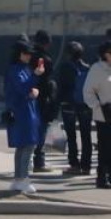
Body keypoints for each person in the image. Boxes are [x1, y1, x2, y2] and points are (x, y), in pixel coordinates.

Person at [7, 39, 45, 193]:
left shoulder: (20, 68)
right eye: (26, 53)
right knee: (28, 145)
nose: (29, 56)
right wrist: (35, 76)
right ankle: (23, 179)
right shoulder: (17, 70)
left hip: (25, 110)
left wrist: (33, 85)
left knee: (22, 146)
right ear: (19, 54)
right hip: (22, 111)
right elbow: (23, 87)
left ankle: (18, 179)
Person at [58, 40, 93, 176]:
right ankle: (86, 165)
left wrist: (58, 103)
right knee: (86, 136)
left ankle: (74, 164)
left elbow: (61, 86)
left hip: (69, 105)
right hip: (85, 105)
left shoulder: (65, 67)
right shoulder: (88, 68)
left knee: (71, 136)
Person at [82, 41, 111, 189]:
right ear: (106, 54)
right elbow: (88, 92)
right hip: (104, 115)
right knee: (105, 148)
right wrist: (98, 106)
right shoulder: (97, 69)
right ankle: (102, 177)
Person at [31, 29, 58, 173]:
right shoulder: (44, 59)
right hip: (43, 98)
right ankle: (39, 161)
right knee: (42, 129)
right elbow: (47, 78)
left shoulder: (28, 56)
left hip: (29, 95)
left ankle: (28, 159)